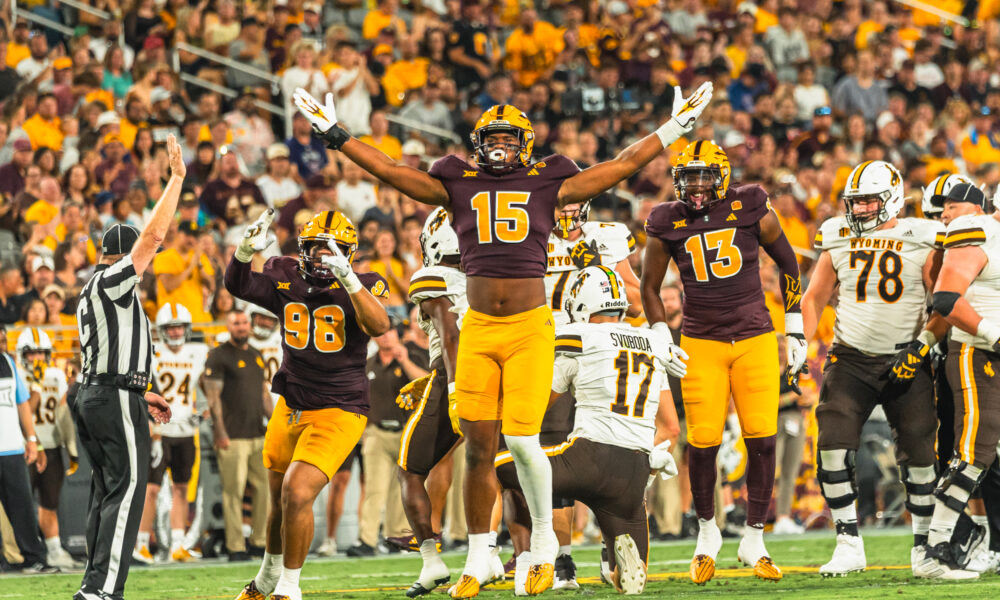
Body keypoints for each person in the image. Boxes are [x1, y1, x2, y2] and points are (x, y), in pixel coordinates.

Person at [293, 77, 711, 598]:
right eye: (493, 137)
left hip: (531, 328)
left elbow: (620, 166)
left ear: (525, 145)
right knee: (478, 449)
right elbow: (394, 172)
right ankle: (477, 557)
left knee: (522, 441)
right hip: (479, 331)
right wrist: (335, 134)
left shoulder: (549, 178)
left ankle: (541, 546)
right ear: (476, 142)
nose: (500, 145)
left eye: (510, 139)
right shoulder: (457, 179)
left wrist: (675, 127)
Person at [641, 140, 805, 584]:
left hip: (754, 338)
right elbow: (649, 288)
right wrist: (661, 333)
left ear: (722, 175)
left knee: (763, 440)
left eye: (703, 175)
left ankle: (755, 536)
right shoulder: (667, 219)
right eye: (688, 176)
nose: (695, 185)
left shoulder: (750, 203)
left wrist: (796, 329)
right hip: (702, 342)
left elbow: (789, 264)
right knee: (704, 442)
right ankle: (707, 533)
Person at [227, 209, 390, 600]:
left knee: (298, 492)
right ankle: (266, 579)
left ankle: (289, 587)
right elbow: (240, 286)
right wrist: (242, 253)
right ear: (302, 249)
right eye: (316, 248)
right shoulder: (286, 274)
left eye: (332, 249)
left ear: (349, 254)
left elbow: (381, 326)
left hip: (339, 408)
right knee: (279, 500)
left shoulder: (365, 283)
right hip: (291, 403)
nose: (322, 256)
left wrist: (349, 281)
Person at [797, 160, 944, 576]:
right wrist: (799, 345)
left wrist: (922, 347)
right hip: (851, 356)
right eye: (855, 202)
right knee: (831, 445)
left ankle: (923, 546)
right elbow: (814, 297)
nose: (860, 210)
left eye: (868, 201)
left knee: (919, 453)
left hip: (907, 356)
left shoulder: (922, 236)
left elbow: (944, 303)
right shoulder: (837, 235)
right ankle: (847, 541)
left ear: (892, 198)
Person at [496, 266, 680, 595]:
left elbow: (538, 407)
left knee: (505, 462)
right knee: (623, 581)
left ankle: (540, 544)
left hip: (589, 458)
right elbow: (670, 425)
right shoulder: (654, 343)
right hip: (635, 469)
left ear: (581, 306)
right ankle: (615, 561)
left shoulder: (580, 335)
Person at [71, 135, 183, 600]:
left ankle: (92, 586)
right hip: (111, 396)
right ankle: (102, 591)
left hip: (104, 392)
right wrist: (175, 178)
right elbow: (154, 236)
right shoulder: (113, 280)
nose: (148, 265)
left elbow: (106, 354)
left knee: (106, 491)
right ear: (124, 255)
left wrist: (141, 390)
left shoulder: (94, 290)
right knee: (129, 488)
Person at [916, 183, 999, 579]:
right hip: (977, 353)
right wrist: (994, 335)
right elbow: (946, 299)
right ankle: (935, 551)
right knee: (973, 453)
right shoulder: (978, 231)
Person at [396, 208, 470, 596]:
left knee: (411, 467)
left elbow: (453, 336)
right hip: (502, 371)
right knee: (505, 467)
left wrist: (453, 386)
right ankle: (523, 558)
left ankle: (431, 560)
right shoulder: (490, 274)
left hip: (456, 376)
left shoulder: (433, 277)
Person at [135, 303, 208, 564]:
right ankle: (141, 543)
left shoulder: (199, 352)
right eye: (171, 327)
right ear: (162, 330)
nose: (176, 332)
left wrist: (205, 408)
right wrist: (149, 424)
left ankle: (178, 544)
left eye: (179, 327)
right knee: (151, 489)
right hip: (159, 430)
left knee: (181, 487)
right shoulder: (150, 353)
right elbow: (140, 391)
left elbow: (205, 385)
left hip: (186, 429)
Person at [349, 327, 428, 557]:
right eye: (381, 332)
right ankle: (367, 540)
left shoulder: (412, 357)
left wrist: (404, 362)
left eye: (390, 331)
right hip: (377, 433)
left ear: (398, 335)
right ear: (374, 337)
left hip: (406, 432)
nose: (386, 336)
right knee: (374, 488)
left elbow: (425, 385)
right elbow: (358, 396)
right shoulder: (368, 363)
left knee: (401, 490)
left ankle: (396, 538)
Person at [203, 311, 271, 562]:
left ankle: (258, 541)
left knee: (265, 488)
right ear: (228, 326)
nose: (241, 327)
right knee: (233, 492)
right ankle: (235, 546)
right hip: (232, 436)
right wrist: (219, 431)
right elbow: (212, 397)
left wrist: (274, 422)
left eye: (244, 323)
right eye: (236, 324)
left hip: (257, 433)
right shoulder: (218, 356)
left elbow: (264, 393)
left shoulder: (256, 354)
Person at [15, 327, 77, 570]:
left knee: (49, 502)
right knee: (21, 504)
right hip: (26, 446)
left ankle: (53, 549)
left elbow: (62, 413)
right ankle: (23, 552)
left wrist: (71, 447)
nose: (38, 358)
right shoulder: (18, 375)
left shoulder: (56, 374)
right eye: (32, 353)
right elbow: (25, 413)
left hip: (51, 445)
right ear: (22, 354)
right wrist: (37, 386)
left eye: (42, 353)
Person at [0, 325, 58, 574]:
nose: (1, 344)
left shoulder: (7, 362)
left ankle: (34, 557)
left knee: (22, 505)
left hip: (12, 445)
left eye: (2, 339)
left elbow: (22, 403)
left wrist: (31, 439)